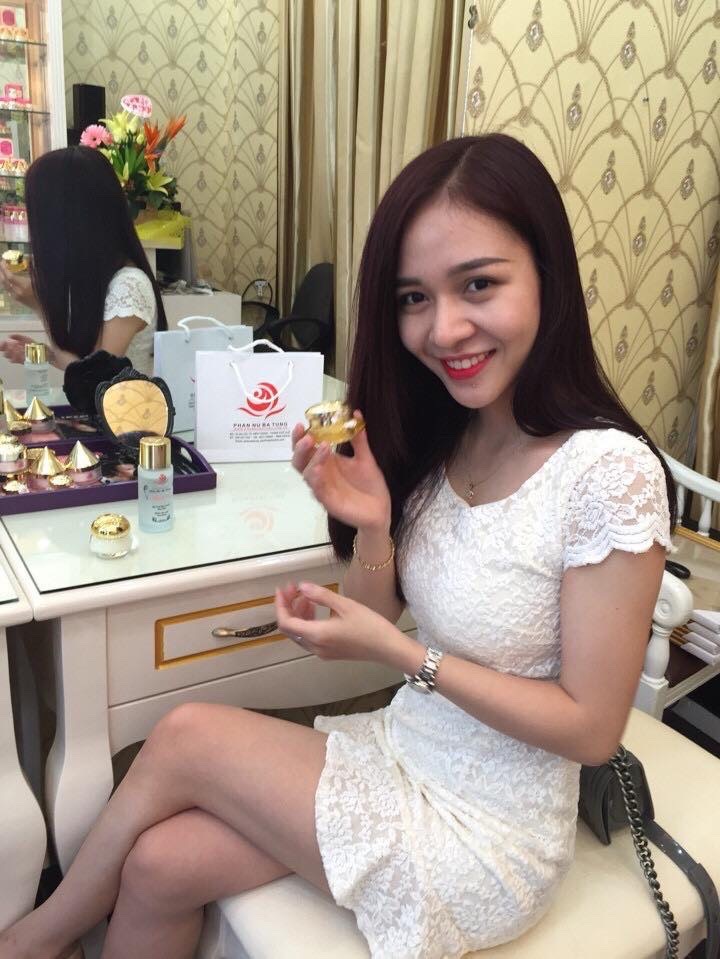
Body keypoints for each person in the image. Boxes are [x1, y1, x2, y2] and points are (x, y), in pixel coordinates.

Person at [0, 134, 674, 959]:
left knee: (185, 733)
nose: (444, 328)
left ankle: (33, 940)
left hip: (491, 835)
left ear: (547, 274)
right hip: (407, 750)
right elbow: (374, 617)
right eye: (414, 297)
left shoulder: (608, 472)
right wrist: (377, 526)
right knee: (159, 864)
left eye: (479, 284)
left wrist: (405, 655)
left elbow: (592, 729)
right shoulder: (452, 432)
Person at [0, 145, 166, 375]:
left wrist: (41, 306)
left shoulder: (129, 285)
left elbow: (95, 381)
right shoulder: (99, 280)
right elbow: (85, 366)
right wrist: (47, 354)